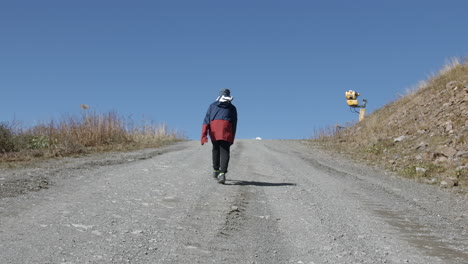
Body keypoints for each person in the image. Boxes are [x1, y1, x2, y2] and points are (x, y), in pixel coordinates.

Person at [201, 89, 238, 184]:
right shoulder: (232, 108)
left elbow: (206, 121)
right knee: (225, 150)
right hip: (226, 131)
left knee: (216, 149)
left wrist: (204, 135)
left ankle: (216, 170)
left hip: (214, 130)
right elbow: (234, 124)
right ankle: (222, 173)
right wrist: (232, 137)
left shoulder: (212, 106)